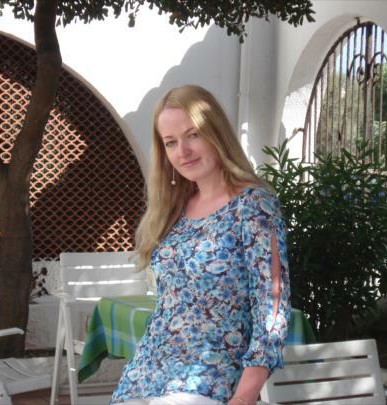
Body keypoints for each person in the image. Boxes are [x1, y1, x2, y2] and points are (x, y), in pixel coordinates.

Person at [111, 85, 290, 405]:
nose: (183, 151)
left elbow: (272, 309)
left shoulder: (253, 205)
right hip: (145, 375)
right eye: (170, 142)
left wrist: (245, 395)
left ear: (216, 133)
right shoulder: (173, 210)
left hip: (209, 379)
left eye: (192, 135)